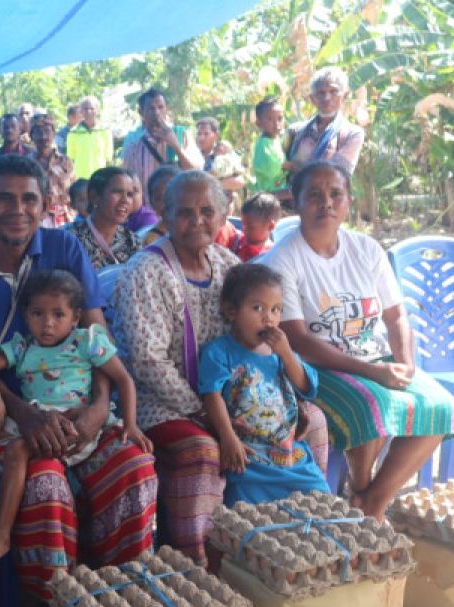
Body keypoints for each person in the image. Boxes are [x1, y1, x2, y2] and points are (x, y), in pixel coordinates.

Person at [0, 155, 156, 607]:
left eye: (29, 198)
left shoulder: (62, 246)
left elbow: (96, 334)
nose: (18, 209)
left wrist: (100, 405)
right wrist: (27, 414)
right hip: (10, 419)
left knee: (135, 467)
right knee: (43, 481)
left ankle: (118, 594)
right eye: (5, 198)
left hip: (82, 411)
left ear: (45, 203)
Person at [113, 171, 319, 563]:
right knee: (205, 450)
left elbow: (257, 334)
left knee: (312, 420)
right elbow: (146, 361)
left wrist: (283, 402)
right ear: (164, 214)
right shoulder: (147, 270)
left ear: (223, 214)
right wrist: (208, 413)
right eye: (185, 212)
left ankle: (294, 537)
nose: (198, 221)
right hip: (165, 406)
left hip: (231, 396)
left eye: (208, 211)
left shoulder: (226, 263)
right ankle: (200, 562)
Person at [261, 161, 454, 520]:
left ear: (349, 201)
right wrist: (373, 371)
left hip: (375, 357)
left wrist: (406, 363)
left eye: (336, 194)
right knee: (371, 405)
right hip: (315, 369)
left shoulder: (366, 250)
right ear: (297, 202)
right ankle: (362, 487)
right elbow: (298, 340)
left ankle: (371, 501)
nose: (327, 203)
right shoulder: (284, 259)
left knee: (441, 407)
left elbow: (396, 315)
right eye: (315, 195)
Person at [0, 270, 152, 571]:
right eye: (37, 313)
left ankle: (0, 535)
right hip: (35, 416)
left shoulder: (87, 341)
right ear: (25, 315)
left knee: (18, 450)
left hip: (75, 423)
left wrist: (131, 424)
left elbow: (123, 379)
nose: (47, 323)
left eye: (59, 314)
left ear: (75, 318)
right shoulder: (22, 346)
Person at [198, 264, 328, 505]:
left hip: (290, 456)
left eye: (276, 310)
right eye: (257, 308)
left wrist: (287, 354)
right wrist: (228, 438)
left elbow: (308, 389)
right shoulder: (219, 352)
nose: (269, 318)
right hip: (248, 458)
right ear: (230, 311)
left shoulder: (280, 353)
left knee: (321, 504)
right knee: (250, 518)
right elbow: (211, 395)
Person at [284, 67, 366, 176]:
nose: (327, 98)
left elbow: (336, 174)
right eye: (321, 93)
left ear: (344, 96)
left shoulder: (353, 133)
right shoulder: (294, 131)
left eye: (333, 91)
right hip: (292, 192)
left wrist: (293, 166)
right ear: (312, 99)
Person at [121, 88, 202, 193]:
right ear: (141, 112)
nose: (157, 112)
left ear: (166, 109)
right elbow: (128, 179)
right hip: (146, 206)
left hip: (176, 205)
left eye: (160, 107)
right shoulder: (133, 140)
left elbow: (196, 173)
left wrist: (176, 146)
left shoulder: (181, 134)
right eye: (151, 108)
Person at [68, 167, 141, 270]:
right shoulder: (70, 239)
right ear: (94, 196)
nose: (125, 200)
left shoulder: (132, 242)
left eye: (129, 194)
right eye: (117, 192)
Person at [30, 113, 75, 228]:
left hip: (64, 220)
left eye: (47, 131)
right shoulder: (26, 163)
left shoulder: (65, 161)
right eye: (38, 132)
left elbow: (74, 192)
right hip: (35, 219)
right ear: (31, 136)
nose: (43, 136)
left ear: (54, 133)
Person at [66, 96, 113, 179]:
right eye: (85, 109)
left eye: (92, 108)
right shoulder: (73, 133)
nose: (89, 111)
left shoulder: (104, 130)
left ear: (97, 110)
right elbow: (70, 159)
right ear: (80, 111)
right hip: (80, 178)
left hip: (100, 177)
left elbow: (109, 158)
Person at [196, 117, 247, 194]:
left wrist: (210, 185)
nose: (201, 138)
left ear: (216, 135)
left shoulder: (225, 155)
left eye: (206, 134)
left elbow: (240, 181)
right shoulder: (193, 156)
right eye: (199, 134)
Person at [250, 97, 289, 197]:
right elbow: (272, 169)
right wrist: (291, 165)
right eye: (269, 119)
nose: (276, 124)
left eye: (280, 118)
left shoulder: (276, 140)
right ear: (258, 123)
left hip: (279, 188)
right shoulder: (263, 144)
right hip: (269, 193)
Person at [136, 165, 181, 245]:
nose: (167, 203)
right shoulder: (145, 240)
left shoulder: (202, 233)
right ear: (151, 202)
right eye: (159, 198)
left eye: (173, 196)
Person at [233, 193, 281, 261]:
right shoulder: (237, 242)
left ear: (270, 226)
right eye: (243, 224)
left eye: (250, 227)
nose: (244, 230)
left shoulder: (271, 255)